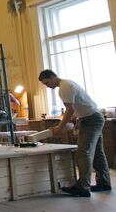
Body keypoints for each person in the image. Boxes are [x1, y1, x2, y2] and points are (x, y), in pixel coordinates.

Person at [38, 69, 111, 197]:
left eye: (47, 83)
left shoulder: (63, 88)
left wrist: (60, 127)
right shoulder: (68, 83)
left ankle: (83, 187)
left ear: (52, 77)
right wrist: (76, 118)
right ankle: (104, 183)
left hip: (91, 120)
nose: (48, 86)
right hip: (94, 117)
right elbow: (78, 105)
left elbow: (70, 109)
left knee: (83, 152)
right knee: (98, 152)